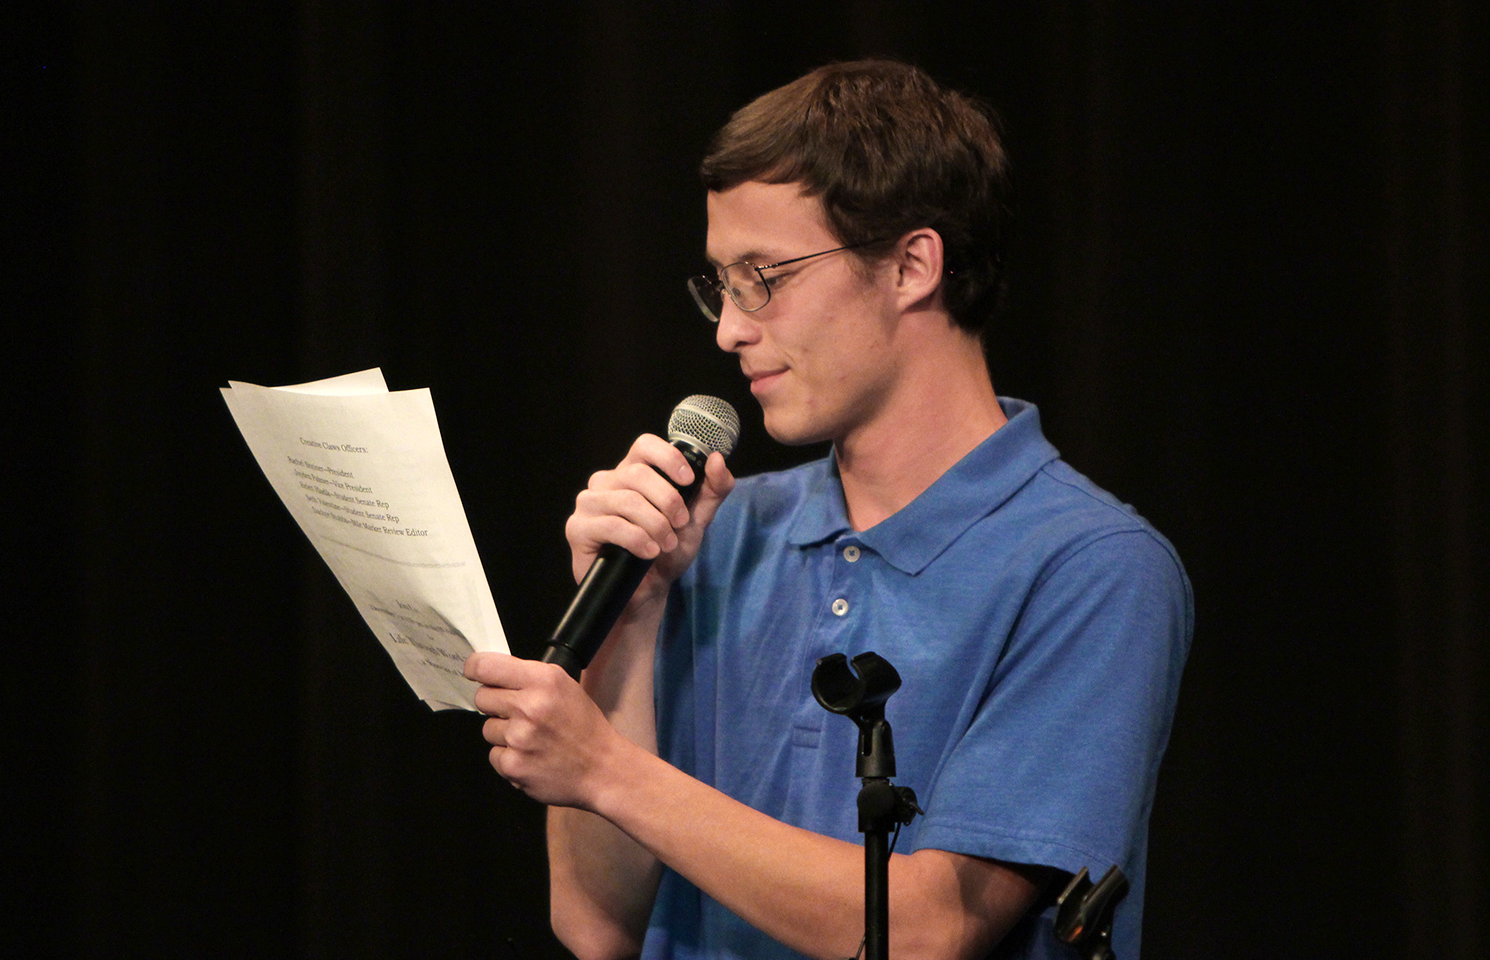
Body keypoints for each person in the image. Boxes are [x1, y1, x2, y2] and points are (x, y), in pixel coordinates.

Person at [465, 59, 1191, 960]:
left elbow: (926, 931)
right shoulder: (720, 533)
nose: (729, 328)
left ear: (911, 265)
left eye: (764, 276)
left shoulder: (1090, 567)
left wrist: (606, 770)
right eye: (721, 285)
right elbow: (596, 926)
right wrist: (633, 618)